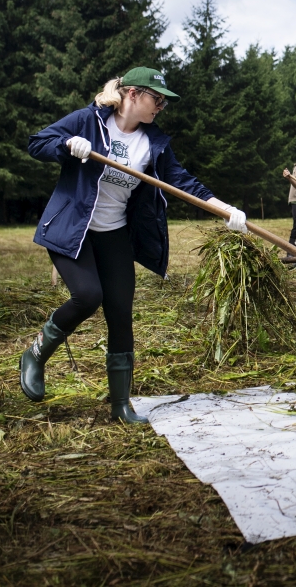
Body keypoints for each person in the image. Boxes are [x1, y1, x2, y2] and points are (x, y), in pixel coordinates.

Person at [22, 68, 248, 423]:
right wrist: (66, 146)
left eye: (163, 102)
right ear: (131, 95)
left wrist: (226, 210)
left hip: (115, 234)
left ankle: (120, 405)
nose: (161, 107)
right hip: (73, 229)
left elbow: (184, 182)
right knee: (87, 296)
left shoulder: (153, 143)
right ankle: (36, 354)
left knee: (121, 314)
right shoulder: (87, 121)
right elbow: (37, 142)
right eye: (156, 99)